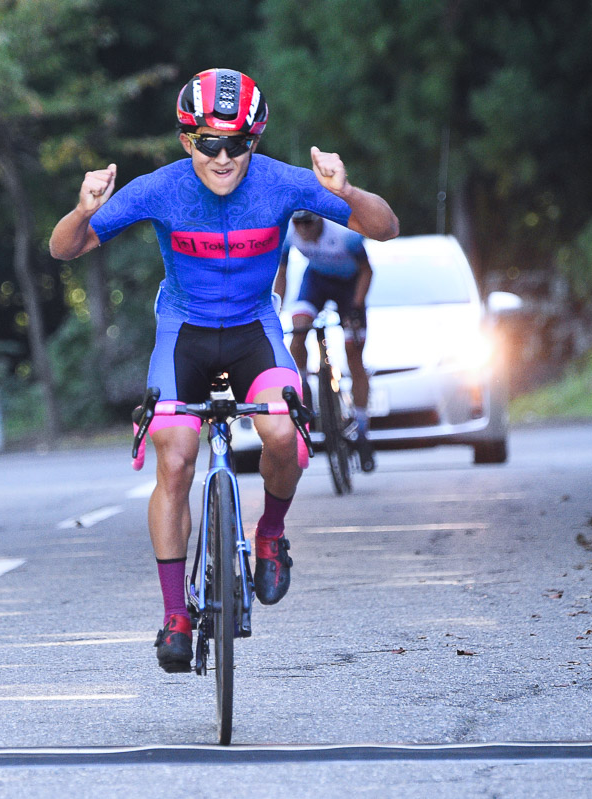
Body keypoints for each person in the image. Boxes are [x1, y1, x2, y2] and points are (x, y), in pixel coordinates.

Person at [49, 68, 399, 673]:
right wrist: (83, 211)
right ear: (188, 142)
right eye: (209, 142)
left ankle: (270, 535)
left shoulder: (283, 183)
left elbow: (385, 228)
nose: (222, 156)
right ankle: (175, 615)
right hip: (183, 334)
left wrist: (347, 193)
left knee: (285, 432)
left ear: (254, 141)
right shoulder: (159, 188)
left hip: (252, 333)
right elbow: (64, 249)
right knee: (177, 457)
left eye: (236, 142)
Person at [273, 210, 375, 471]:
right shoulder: (289, 234)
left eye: (308, 222)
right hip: (316, 281)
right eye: (298, 223)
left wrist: (356, 306)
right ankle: (305, 383)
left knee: (353, 352)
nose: (303, 228)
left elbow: (367, 271)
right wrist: (275, 308)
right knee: (298, 328)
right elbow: (282, 273)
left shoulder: (345, 234)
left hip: (350, 287)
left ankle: (362, 429)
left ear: (319, 220)